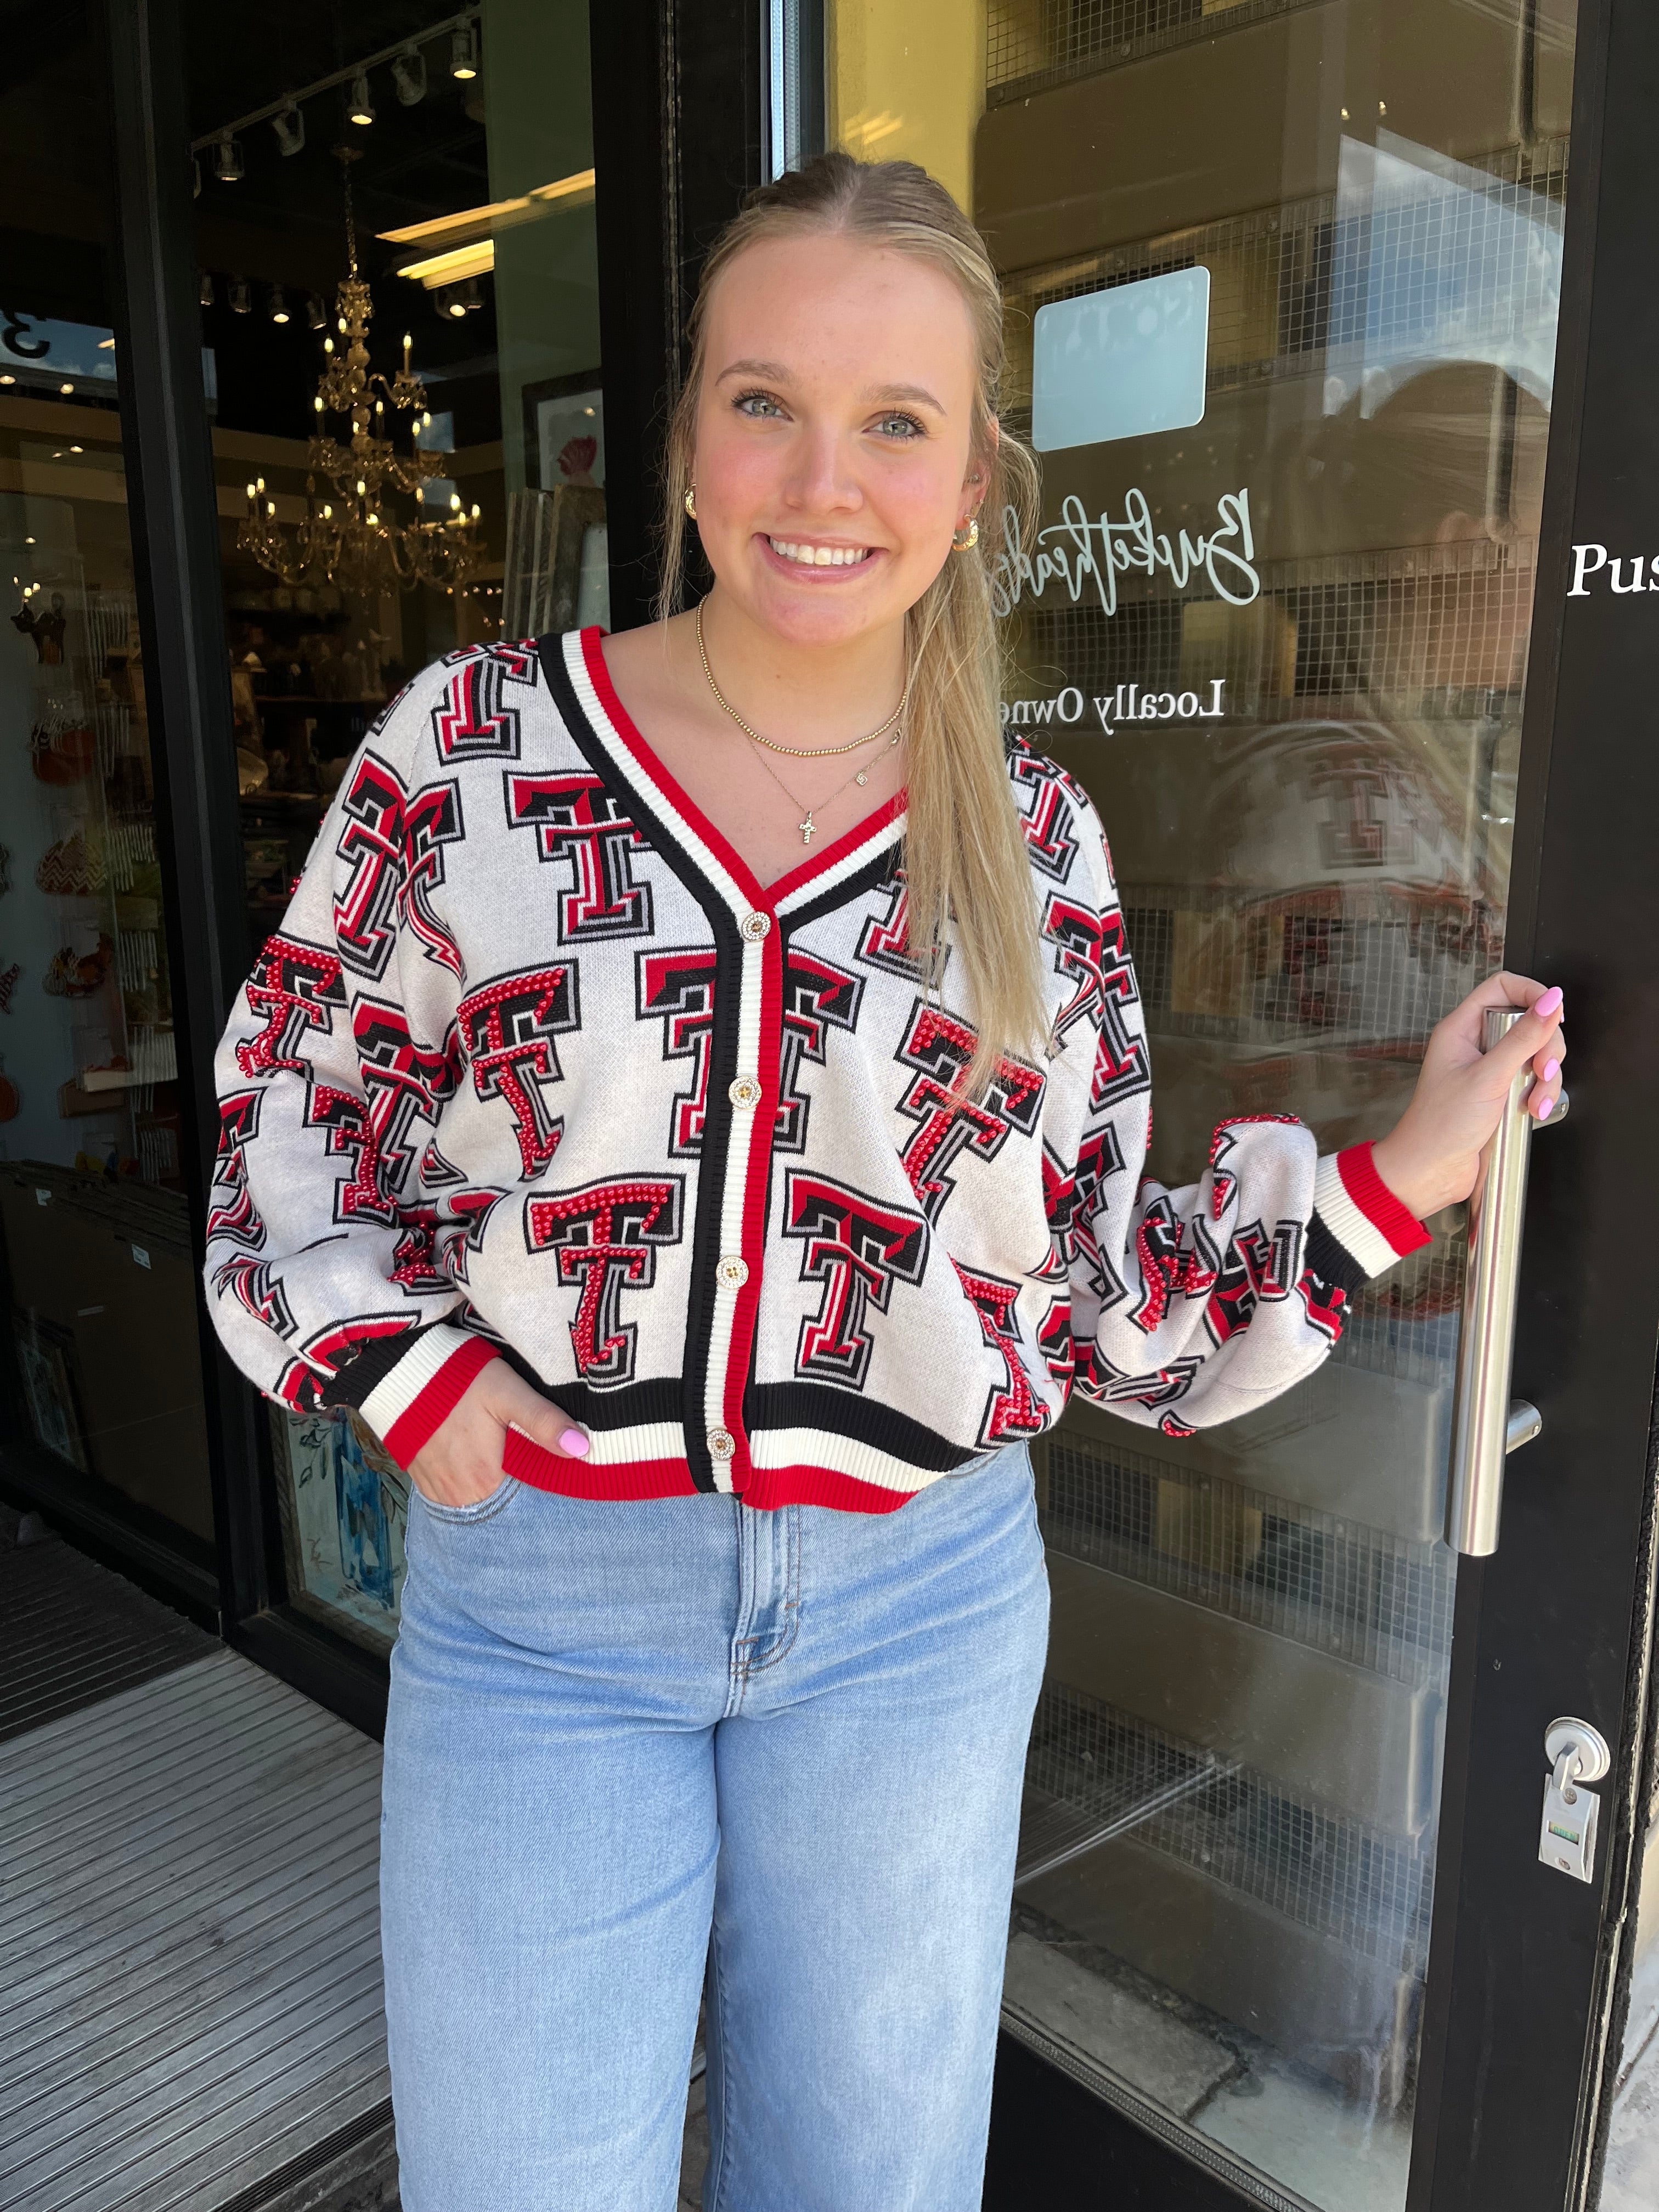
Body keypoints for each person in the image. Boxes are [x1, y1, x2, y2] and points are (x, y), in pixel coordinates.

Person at [201, 152, 1566, 2212]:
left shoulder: (1025, 840)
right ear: (680, 445)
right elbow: (290, 1120)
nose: (820, 478)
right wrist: (400, 1366)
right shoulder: (470, 758)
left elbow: (1101, 1295)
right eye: (762, 402)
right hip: (553, 1602)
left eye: (895, 422)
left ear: (973, 484)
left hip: (916, 1612)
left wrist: (1398, 1171)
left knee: (867, 2187)